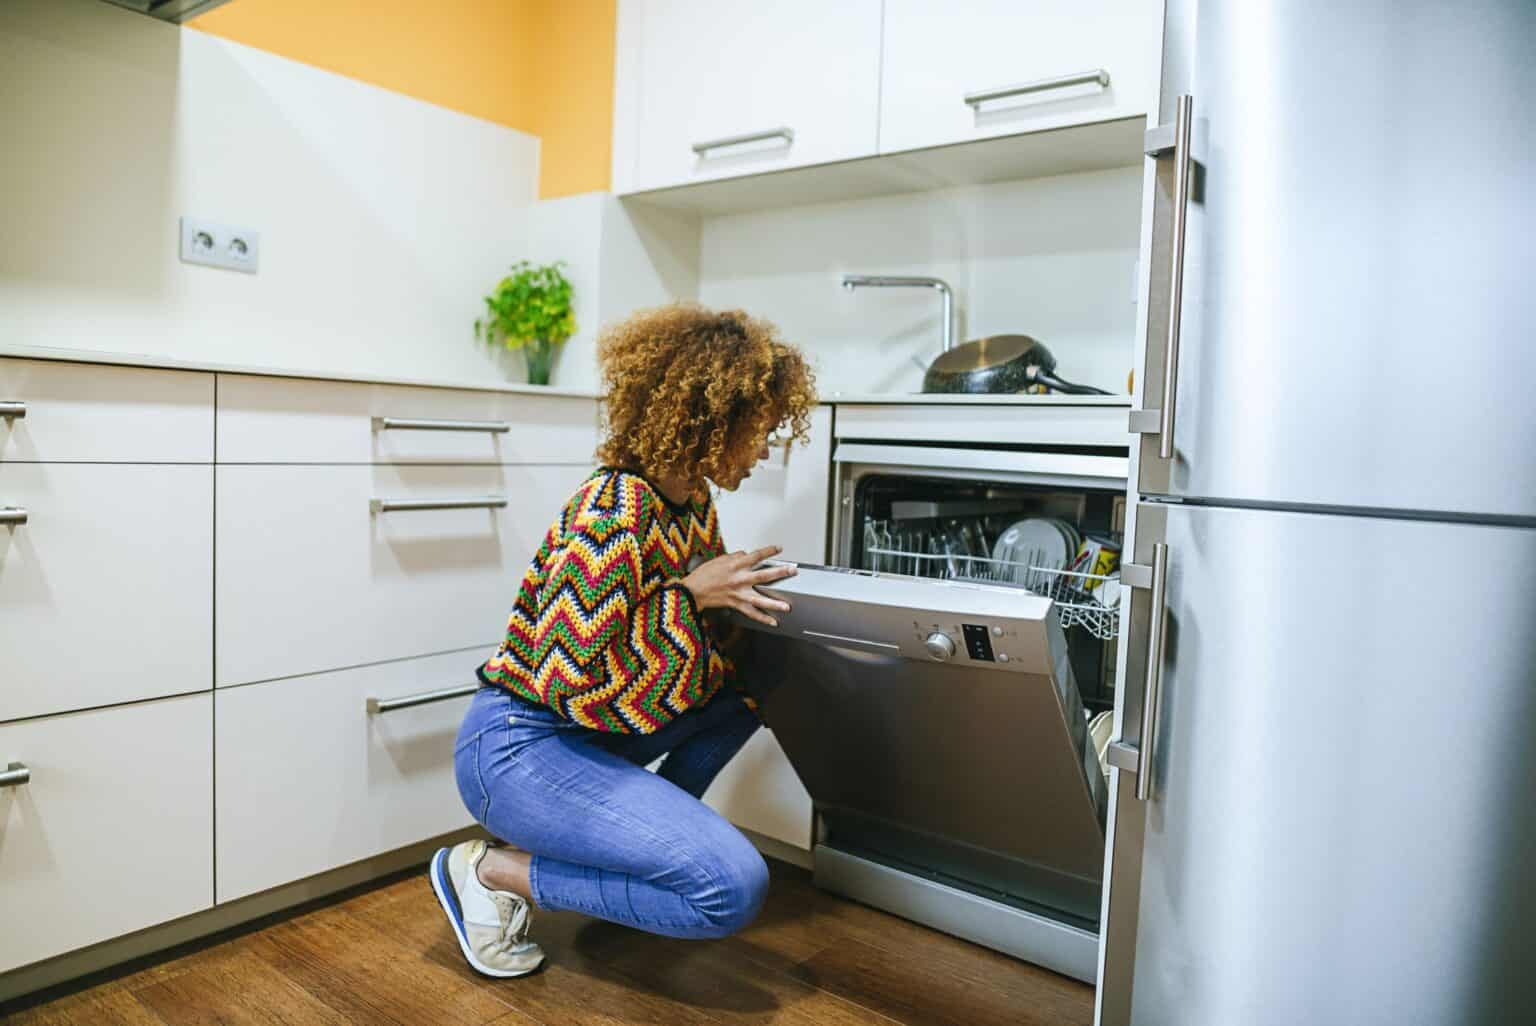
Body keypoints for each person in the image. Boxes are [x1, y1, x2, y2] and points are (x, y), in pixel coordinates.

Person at [430, 303, 818, 978]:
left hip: (586, 737)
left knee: (752, 689)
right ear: (710, 419)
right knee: (730, 889)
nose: (763, 450)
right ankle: (494, 871)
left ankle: (630, 858)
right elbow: (567, 669)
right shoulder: (613, 508)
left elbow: (685, 653)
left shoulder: (692, 502)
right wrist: (693, 596)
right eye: (759, 430)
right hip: (519, 748)